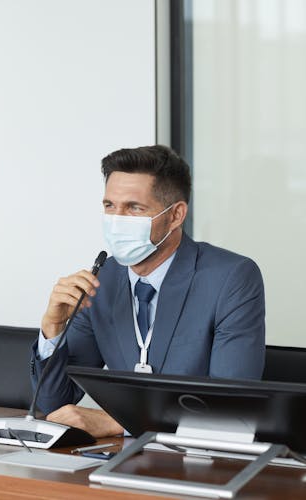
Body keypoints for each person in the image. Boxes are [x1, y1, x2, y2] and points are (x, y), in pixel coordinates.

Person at [32, 145, 265, 438]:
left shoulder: (231, 278)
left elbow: (231, 407)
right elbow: (54, 403)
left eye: (134, 208)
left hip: (202, 464)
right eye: (109, 206)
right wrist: (53, 327)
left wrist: (121, 423)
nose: (117, 220)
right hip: (122, 462)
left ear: (176, 215)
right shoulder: (102, 280)